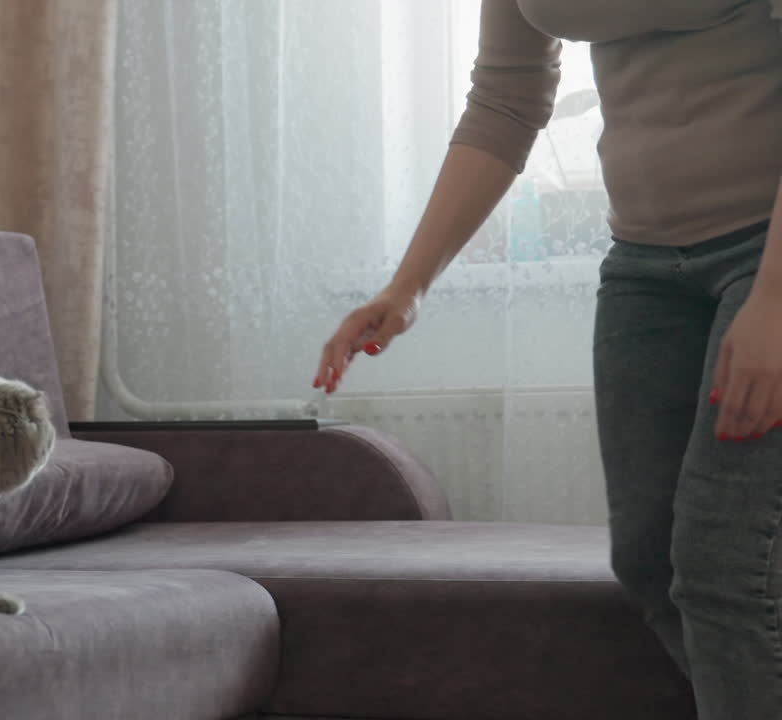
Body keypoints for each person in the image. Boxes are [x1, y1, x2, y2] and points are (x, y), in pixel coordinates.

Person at [314, 1, 782, 716]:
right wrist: (408, 286)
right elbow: (505, 101)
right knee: (648, 561)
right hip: (646, 266)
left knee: (727, 563)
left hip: (768, 253)